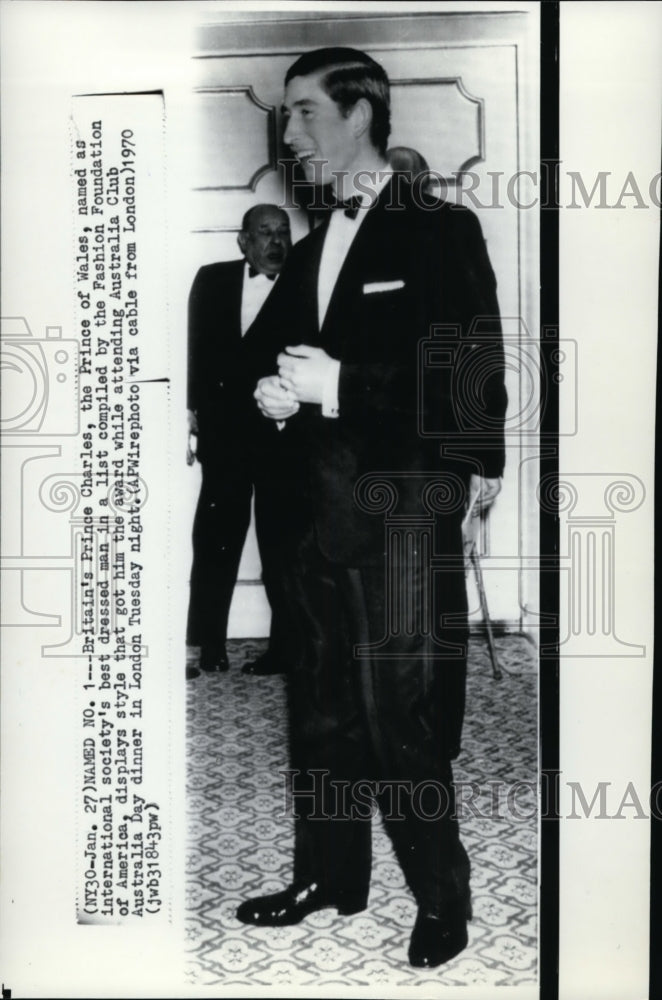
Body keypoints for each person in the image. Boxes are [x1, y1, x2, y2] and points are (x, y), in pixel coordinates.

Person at [236, 48, 507, 969]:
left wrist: (343, 383)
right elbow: (263, 365)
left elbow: (473, 386)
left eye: (306, 112)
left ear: (360, 113)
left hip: (398, 513)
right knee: (318, 709)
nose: (291, 132)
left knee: (401, 716)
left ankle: (443, 899)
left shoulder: (439, 231)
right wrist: (273, 395)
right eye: (287, 115)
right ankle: (329, 877)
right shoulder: (310, 249)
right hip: (310, 519)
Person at [186, 204, 293, 680]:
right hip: (224, 439)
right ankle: (208, 644)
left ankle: (285, 650)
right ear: (243, 241)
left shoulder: (303, 284)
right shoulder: (210, 280)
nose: (276, 242)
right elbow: (193, 351)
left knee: (281, 548)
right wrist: (189, 412)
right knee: (214, 544)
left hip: (279, 443)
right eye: (265, 233)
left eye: (283, 232)